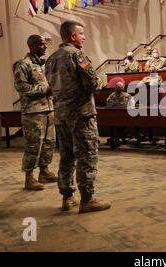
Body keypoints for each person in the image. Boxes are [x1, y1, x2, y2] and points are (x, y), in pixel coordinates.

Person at [45, 21, 111, 214]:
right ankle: (87, 199)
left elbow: (51, 86)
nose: (83, 37)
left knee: (66, 156)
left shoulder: (51, 59)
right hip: (81, 115)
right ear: (72, 36)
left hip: (61, 116)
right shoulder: (76, 55)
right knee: (87, 155)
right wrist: (100, 81)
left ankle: (67, 197)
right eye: (81, 33)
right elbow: (91, 83)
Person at [13, 35, 57, 191]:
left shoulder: (42, 65)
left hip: (48, 109)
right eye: (41, 44)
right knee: (34, 145)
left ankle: (44, 172)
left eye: (45, 44)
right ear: (31, 46)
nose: (45, 47)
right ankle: (29, 177)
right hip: (33, 112)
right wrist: (44, 90)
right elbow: (21, 87)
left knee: (49, 142)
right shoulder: (23, 64)